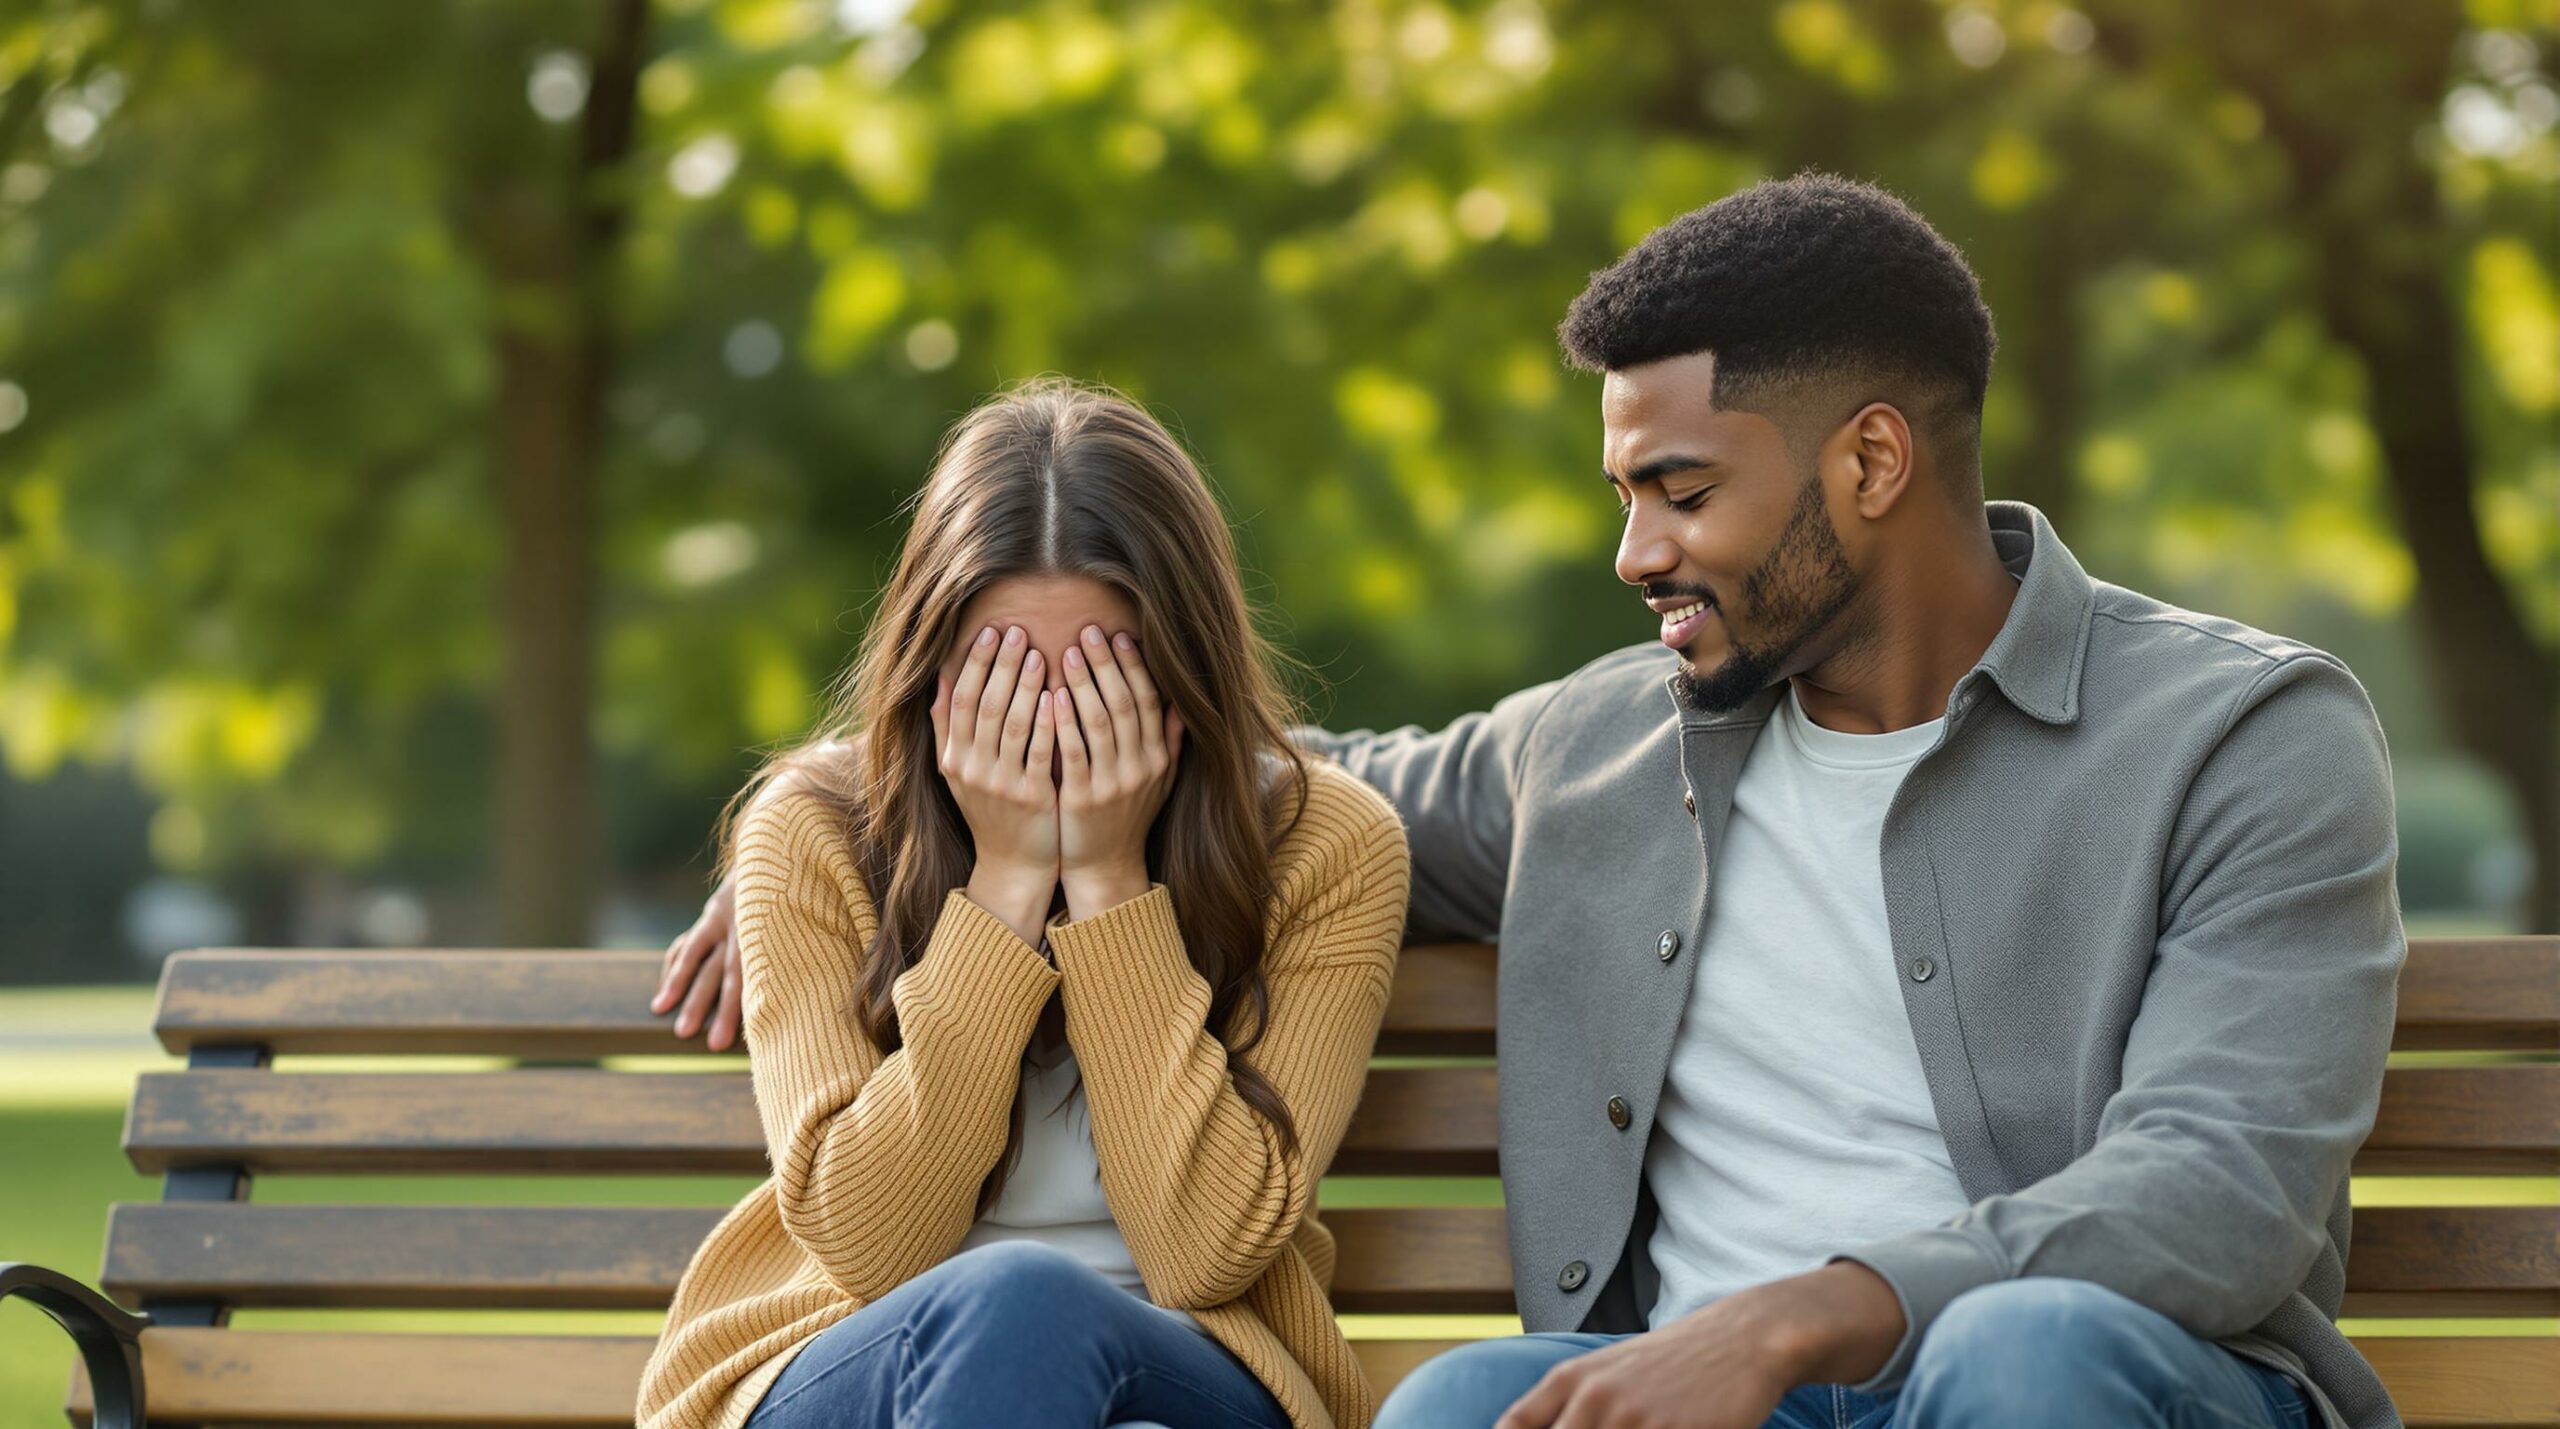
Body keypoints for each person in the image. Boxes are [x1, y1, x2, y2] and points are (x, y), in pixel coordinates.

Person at [659, 174, 2403, 1429]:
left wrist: (1798, 1320)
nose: (1631, 550)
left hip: (2090, 1378)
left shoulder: (2243, 736)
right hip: (1680, 1395)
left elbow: (2221, 1182)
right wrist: (859, 805)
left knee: (2023, 1354)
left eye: (1679, 488)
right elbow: (1251, 771)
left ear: (1870, 462)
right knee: (1457, 1404)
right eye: (1622, 489)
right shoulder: (1598, 747)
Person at [636, 378, 1412, 1429]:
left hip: (1189, 1364)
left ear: (1186, 671)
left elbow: (1201, 1255)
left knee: (1039, 1310)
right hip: (855, 1360)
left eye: (1101, 680)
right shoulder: (814, 831)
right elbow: (871, 1249)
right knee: (1013, 1304)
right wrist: (1001, 887)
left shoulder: (1326, 845)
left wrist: (1106, 879)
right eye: (1003, 679)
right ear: (932, 671)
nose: (1050, 731)